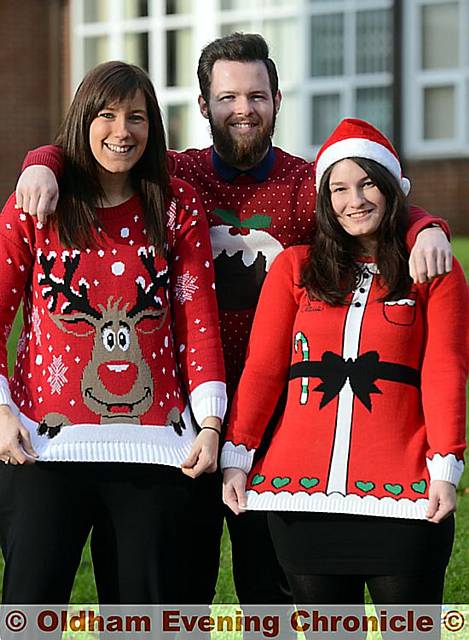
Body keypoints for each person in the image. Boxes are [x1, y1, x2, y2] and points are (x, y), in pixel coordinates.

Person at [15, 34, 453, 606]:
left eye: (257, 95)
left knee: (268, 591)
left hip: (274, 423)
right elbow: (101, 151)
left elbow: (364, 199)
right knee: (178, 588)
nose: (243, 109)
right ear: (203, 105)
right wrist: (40, 161)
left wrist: (426, 225)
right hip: (184, 415)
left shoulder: (302, 184)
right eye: (227, 97)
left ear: (276, 100)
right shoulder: (174, 176)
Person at [0, 60, 226, 605]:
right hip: (41, 447)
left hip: (153, 452)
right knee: (29, 610)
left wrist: (211, 424)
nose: (122, 131)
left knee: (142, 618)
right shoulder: (37, 204)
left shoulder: (177, 207)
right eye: (106, 115)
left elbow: (198, 323)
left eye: (137, 117)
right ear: (83, 119)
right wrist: (1, 413)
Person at [222, 118, 468, 613]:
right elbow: (265, 369)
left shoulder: (432, 269)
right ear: (324, 200)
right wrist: (237, 454)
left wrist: (446, 467)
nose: (354, 200)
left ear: (392, 188)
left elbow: (446, 370)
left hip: (406, 496)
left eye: (367, 183)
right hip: (302, 504)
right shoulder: (294, 267)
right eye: (338, 188)